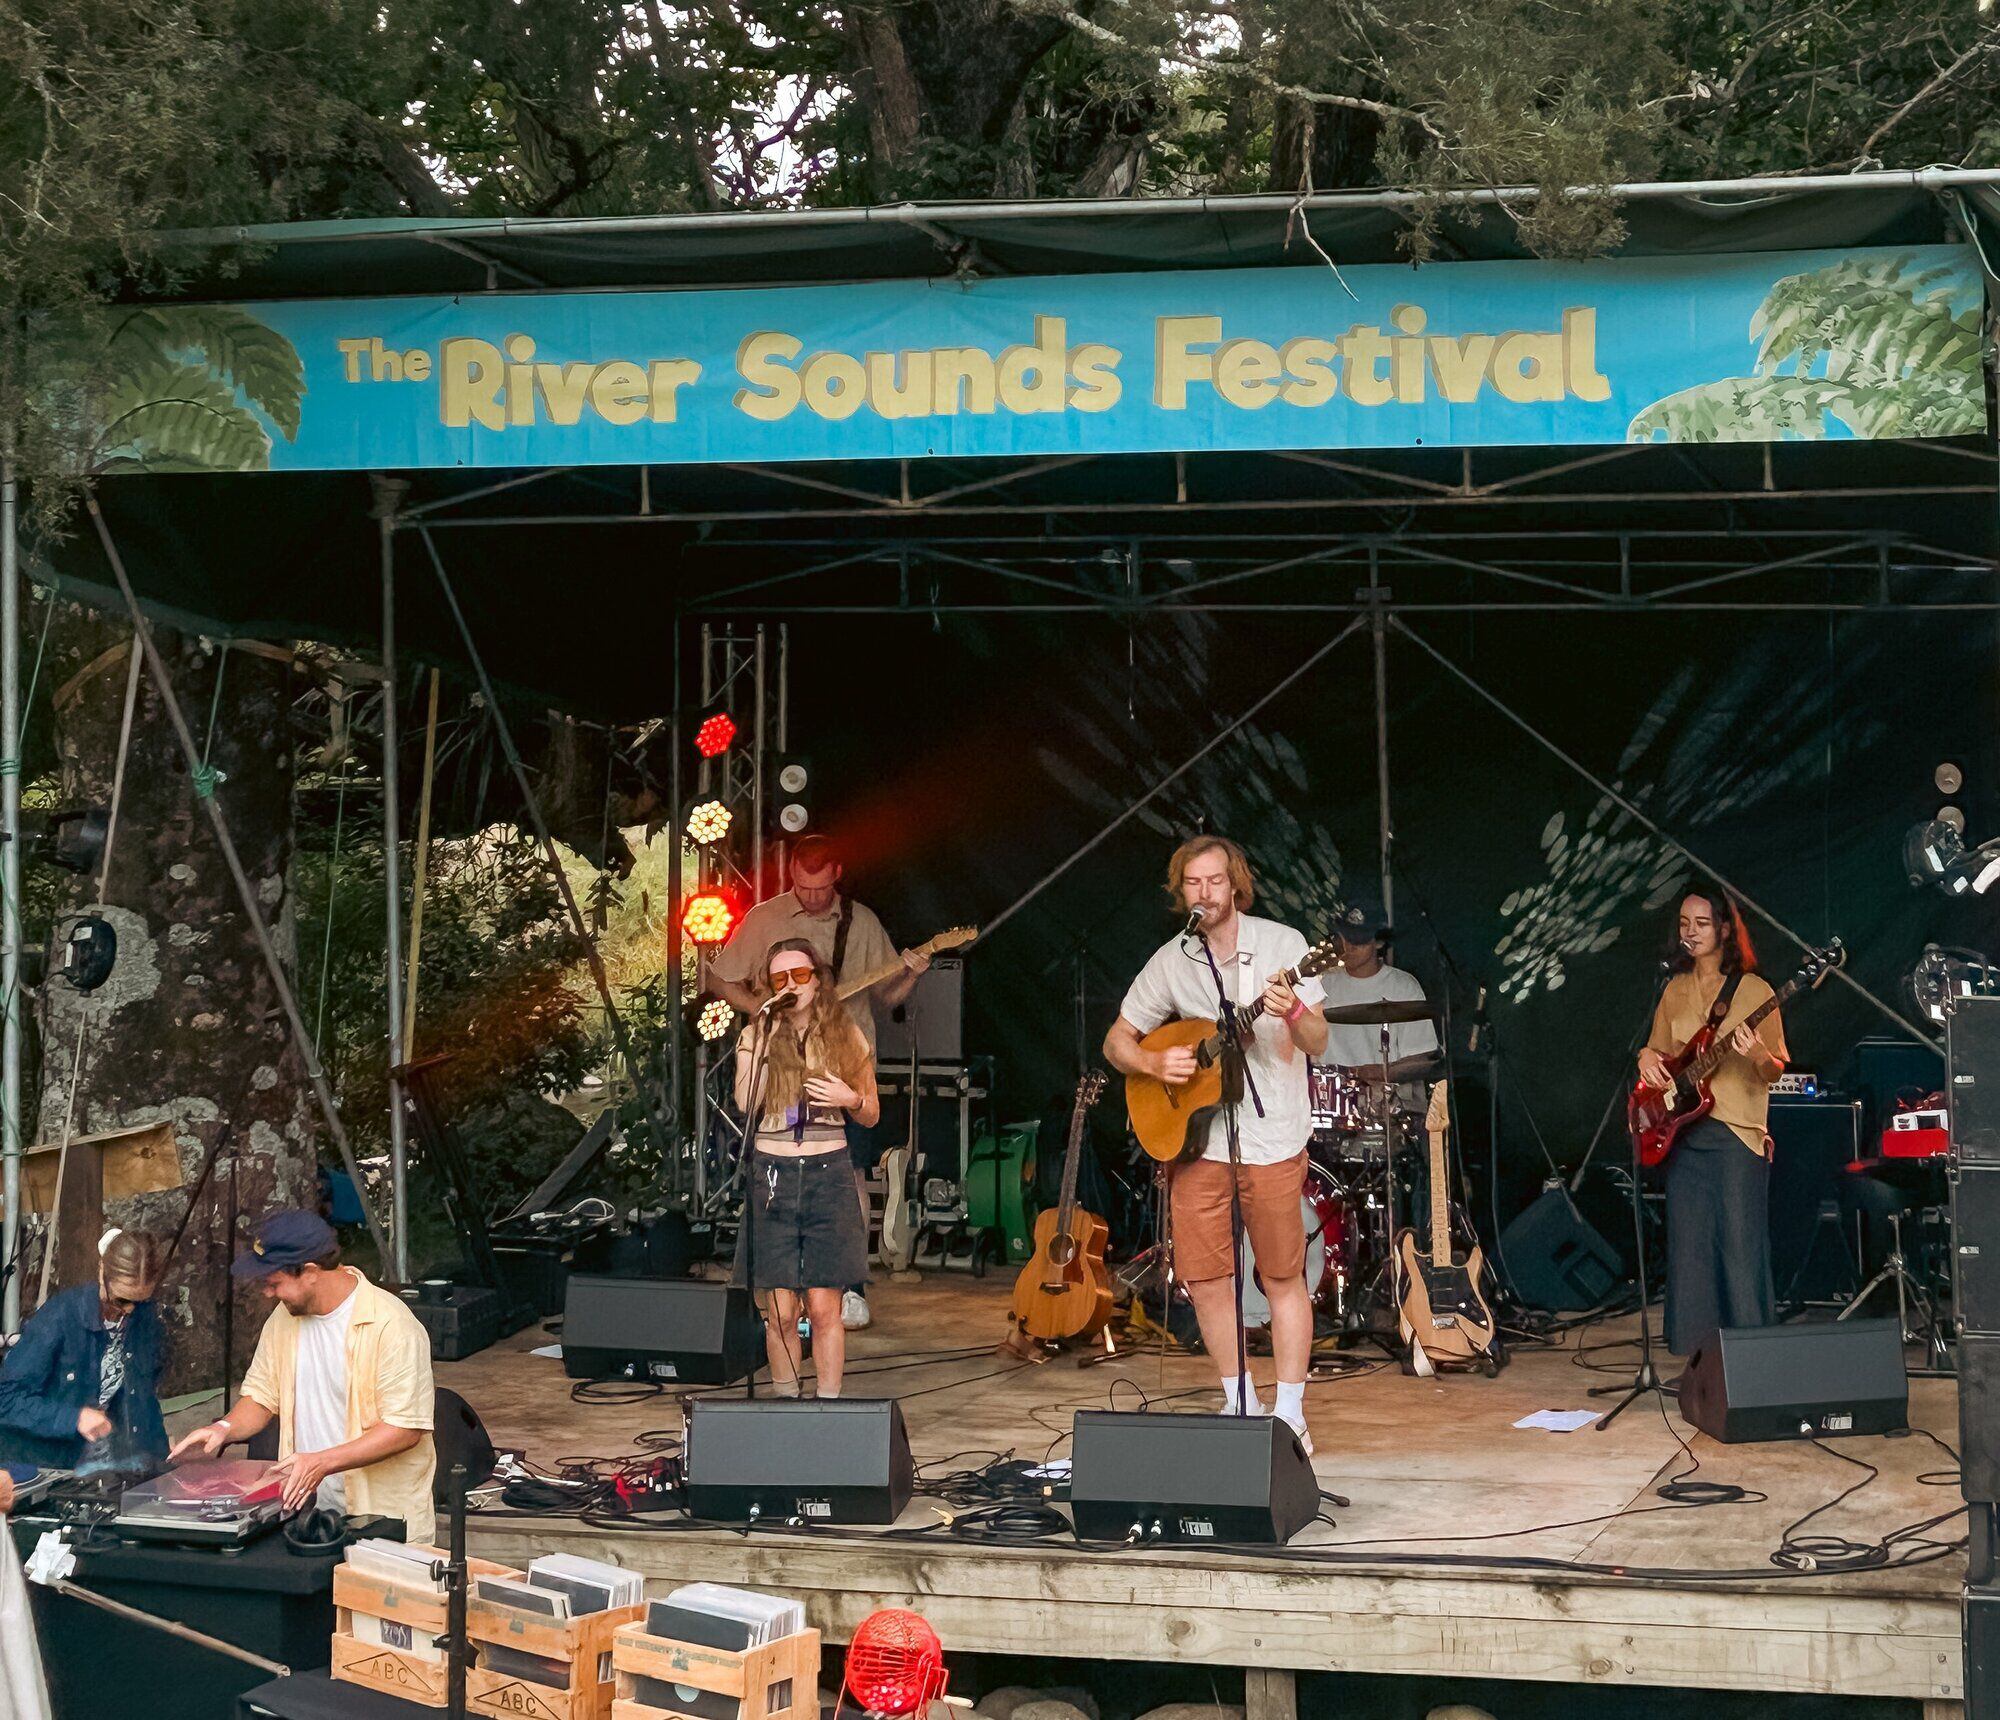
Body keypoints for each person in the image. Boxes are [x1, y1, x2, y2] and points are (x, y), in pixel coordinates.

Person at [1102, 835, 1328, 1452]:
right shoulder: (1173, 959)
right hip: (1198, 1145)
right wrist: (1153, 1064)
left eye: (1216, 882)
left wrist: (1289, 1013)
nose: (1206, 893)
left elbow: (1317, 1041)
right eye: (1194, 884)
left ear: (1237, 886)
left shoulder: (1284, 946)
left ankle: (1290, 1413)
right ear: (1183, 894)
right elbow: (1116, 1041)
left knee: (1281, 1274)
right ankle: (1237, 1401)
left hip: (1272, 1135)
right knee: (1205, 1276)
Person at [707, 834, 929, 1331]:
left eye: (819, 887)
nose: (809, 897)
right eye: (801, 888)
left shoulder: (862, 922)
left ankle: (850, 1286)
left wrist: (913, 973)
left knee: (850, 1171)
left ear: (837, 873)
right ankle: (787, 1289)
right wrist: (762, 1017)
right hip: (780, 1064)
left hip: (841, 1058)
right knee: (777, 1171)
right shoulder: (765, 918)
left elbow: (888, 996)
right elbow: (718, 977)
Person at [168, 1211, 438, 1542]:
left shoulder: (392, 1326)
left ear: (309, 1272)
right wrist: (222, 1429)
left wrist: (320, 1462)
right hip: (309, 1513)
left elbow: (404, 1429)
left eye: (274, 1282)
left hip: (382, 1518)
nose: (267, 1293)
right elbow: (261, 1397)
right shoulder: (284, 1319)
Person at [1637, 885, 1788, 1357]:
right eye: (1684, 923)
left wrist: (1757, 1051)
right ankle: (1698, 1356)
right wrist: (1645, 1055)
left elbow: (1776, 1066)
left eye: (1701, 923)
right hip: (1684, 1132)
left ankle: (1753, 1357)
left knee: (1741, 1247)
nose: (1691, 932)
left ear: (1725, 929)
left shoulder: (1755, 991)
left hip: (1736, 1132)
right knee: (1691, 1248)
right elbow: (1659, 1050)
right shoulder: (1675, 989)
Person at [733, 939, 880, 1398]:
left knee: (822, 1307)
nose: (792, 985)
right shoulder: (755, 1035)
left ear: (817, 981)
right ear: (770, 987)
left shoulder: (846, 1033)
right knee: (779, 1310)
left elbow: (872, 1112)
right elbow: (744, 1102)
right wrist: (759, 1039)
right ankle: (785, 1404)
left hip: (827, 1173)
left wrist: (850, 1099)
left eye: (800, 976)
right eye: (781, 979)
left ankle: (828, 1407)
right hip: (773, 1175)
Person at [0, 1229, 168, 1473]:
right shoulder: (59, 1318)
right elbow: (6, 1400)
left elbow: (143, 1399)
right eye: (120, 1300)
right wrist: (74, 1418)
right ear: (102, 1273)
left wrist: (162, 1462)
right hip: (44, 1466)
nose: (130, 1309)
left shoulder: (145, 1317)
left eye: (141, 1301)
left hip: (104, 1464)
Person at [1320, 892, 1439, 1093]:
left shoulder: (1403, 986)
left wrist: (1384, 1072)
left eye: (1359, 940)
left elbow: (1423, 1058)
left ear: (1380, 942)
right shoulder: (1323, 984)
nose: (1350, 947)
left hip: (1385, 1101)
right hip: (1330, 1098)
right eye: (1346, 937)